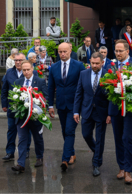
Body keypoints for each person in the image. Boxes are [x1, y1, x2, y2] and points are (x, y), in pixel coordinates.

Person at [48, 43, 85, 172]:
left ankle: (65, 159)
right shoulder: (54, 67)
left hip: (74, 105)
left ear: (70, 51)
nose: (62, 54)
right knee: (65, 130)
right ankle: (72, 152)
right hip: (61, 104)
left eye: (65, 51)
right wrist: (50, 105)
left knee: (69, 130)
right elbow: (51, 87)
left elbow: (82, 86)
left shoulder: (79, 66)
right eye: (60, 52)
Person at [73, 52, 111, 177]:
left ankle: (96, 164)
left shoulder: (108, 74)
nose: (94, 66)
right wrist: (76, 111)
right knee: (86, 134)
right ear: (90, 61)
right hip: (87, 110)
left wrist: (109, 113)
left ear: (102, 63)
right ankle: (97, 151)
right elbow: (79, 93)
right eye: (92, 63)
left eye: (97, 63)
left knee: (100, 138)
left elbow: (111, 96)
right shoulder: (83, 74)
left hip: (101, 111)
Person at [108, 40, 132, 184]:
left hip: (130, 109)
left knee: (128, 138)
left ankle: (128, 170)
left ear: (127, 51)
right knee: (118, 139)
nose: (118, 53)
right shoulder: (110, 66)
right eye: (116, 51)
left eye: (120, 51)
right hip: (115, 109)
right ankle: (121, 167)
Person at [11, 60, 48, 173]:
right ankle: (21, 164)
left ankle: (39, 157)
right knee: (22, 139)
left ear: (32, 69)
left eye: (28, 70)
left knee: (37, 138)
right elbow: (14, 98)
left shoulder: (40, 81)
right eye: (24, 70)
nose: (26, 72)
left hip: (36, 116)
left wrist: (40, 106)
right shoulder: (18, 81)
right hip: (22, 117)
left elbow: (46, 98)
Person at [1, 53, 38, 162]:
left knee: (26, 131)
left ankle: (25, 150)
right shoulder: (9, 72)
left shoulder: (31, 72)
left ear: (24, 61)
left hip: (26, 108)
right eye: (16, 60)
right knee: (11, 130)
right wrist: (4, 104)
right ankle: (10, 152)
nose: (17, 62)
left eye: (20, 60)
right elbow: (4, 89)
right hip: (12, 107)